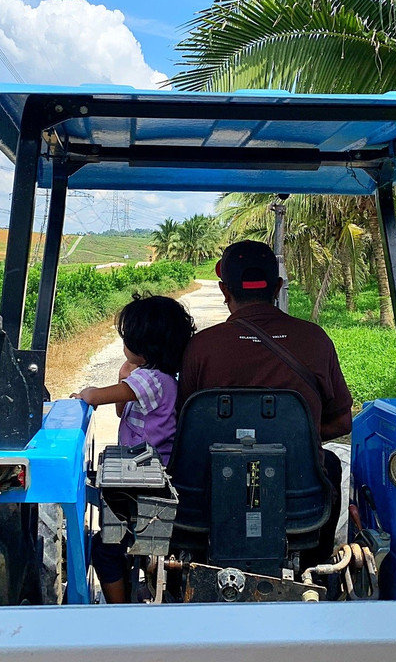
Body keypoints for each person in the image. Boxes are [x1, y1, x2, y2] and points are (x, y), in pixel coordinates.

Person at [72, 293, 196, 603]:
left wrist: (86, 392)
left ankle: (120, 608)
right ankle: (153, 587)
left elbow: (97, 398)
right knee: (143, 547)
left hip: (142, 483)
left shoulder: (152, 379)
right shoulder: (161, 380)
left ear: (143, 345)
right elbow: (120, 410)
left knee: (107, 549)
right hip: (146, 477)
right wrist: (123, 376)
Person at [178, 240, 353, 441]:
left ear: (224, 290)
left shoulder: (201, 346)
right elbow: (343, 423)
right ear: (278, 287)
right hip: (299, 472)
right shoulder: (315, 339)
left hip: (219, 471)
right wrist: (291, 436)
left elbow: (186, 424)